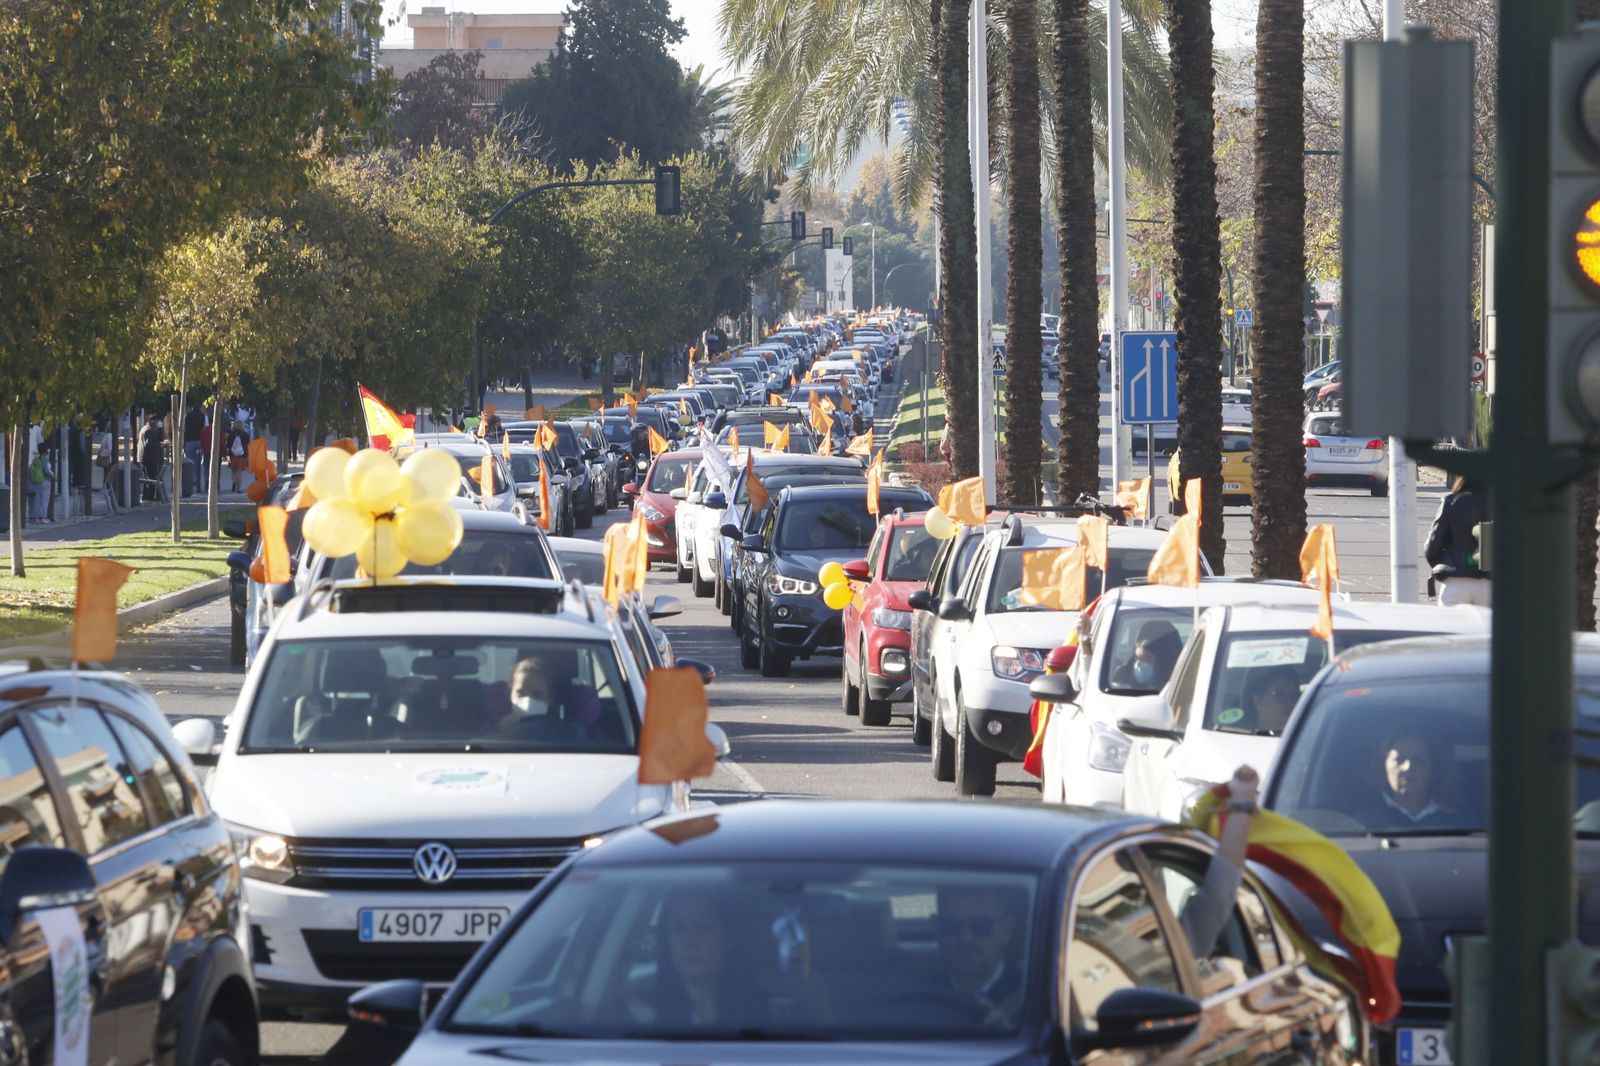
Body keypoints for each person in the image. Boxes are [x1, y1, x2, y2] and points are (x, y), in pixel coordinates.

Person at [927, 885, 1025, 1028]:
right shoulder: (920, 996)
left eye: (981, 926)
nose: (965, 938)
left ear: (1006, 930)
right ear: (937, 929)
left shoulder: (1033, 998)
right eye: (952, 926)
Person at [1425, 476, 1490, 607]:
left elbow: (1432, 547)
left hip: (1455, 582)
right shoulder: (1503, 503)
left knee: (1450, 626)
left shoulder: (1451, 501)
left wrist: (1445, 565)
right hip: (1490, 583)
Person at [1111, 620, 1183, 691]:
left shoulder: (1178, 687)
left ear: (1163, 661)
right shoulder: (1119, 681)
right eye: (1137, 658)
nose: (1138, 664)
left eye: (1147, 659)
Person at [1239, 666, 1299, 735]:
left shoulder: (1310, 741)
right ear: (1257, 702)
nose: (1289, 702)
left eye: (1294, 695)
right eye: (1280, 695)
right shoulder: (1235, 740)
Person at [138, 414, 164, 500]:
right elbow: (149, 445)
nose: (159, 423)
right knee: (151, 479)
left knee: (148, 479)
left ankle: (148, 497)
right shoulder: (149, 431)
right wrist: (159, 445)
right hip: (149, 459)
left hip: (145, 458)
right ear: (153, 421)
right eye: (157, 421)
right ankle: (150, 497)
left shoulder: (146, 429)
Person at [26, 445, 53, 524]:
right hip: (45, 482)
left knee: (37, 500)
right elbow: (47, 471)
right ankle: (43, 518)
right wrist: (53, 476)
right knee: (44, 500)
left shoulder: (35, 460)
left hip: (36, 483)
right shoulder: (45, 460)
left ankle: (36, 517)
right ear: (46, 452)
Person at [225, 421, 249, 493]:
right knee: (239, 472)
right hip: (242, 456)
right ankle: (238, 489)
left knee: (233, 471)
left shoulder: (231, 434)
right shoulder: (245, 434)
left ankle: (234, 482)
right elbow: (248, 445)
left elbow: (228, 445)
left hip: (232, 455)